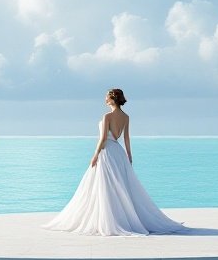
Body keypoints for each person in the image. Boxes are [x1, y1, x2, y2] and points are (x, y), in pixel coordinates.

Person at [43, 88, 184, 236]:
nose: (104, 98)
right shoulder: (126, 117)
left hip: (107, 152)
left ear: (112, 98)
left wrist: (95, 154)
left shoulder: (107, 116)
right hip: (119, 153)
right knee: (119, 186)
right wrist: (129, 156)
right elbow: (126, 138)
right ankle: (118, 218)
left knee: (105, 186)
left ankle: (109, 220)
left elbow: (103, 139)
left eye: (106, 96)